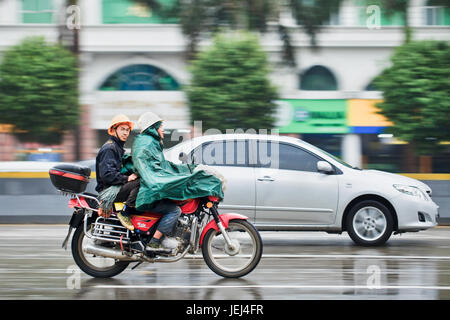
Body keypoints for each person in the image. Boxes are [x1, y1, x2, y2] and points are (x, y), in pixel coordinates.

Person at [132, 112, 224, 250]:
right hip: (149, 194)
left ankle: (168, 235)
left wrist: (188, 169)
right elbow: (152, 173)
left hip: (151, 190)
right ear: (153, 127)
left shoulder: (150, 143)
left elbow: (163, 167)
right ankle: (154, 242)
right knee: (175, 210)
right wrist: (179, 179)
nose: (163, 130)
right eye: (160, 127)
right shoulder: (147, 143)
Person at [95, 114, 138, 231]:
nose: (125, 133)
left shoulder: (117, 147)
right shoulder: (110, 148)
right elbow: (107, 174)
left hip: (115, 186)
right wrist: (126, 178)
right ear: (114, 130)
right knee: (138, 183)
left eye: (127, 130)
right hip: (108, 190)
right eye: (122, 129)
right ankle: (125, 213)